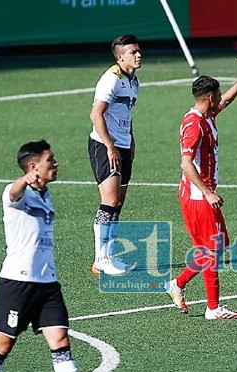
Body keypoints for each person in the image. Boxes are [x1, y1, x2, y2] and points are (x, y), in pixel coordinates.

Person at [0, 140, 112, 372]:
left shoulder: (44, 194)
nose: (56, 163)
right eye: (51, 160)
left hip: (47, 284)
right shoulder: (17, 195)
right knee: (4, 343)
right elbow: (13, 193)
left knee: (60, 339)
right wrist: (23, 180)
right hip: (17, 283)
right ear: (34, 166)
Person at [165, 57, 237, 319]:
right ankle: (213, 307)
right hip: (197, 196)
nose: (220, 99)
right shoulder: (195, 125)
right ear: (208, 97)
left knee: (217, 245)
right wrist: (207, 192)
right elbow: (185, 163)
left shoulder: (206, 114)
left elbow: (226, 100)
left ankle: (177, 284)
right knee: (213, 249)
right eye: (217, 95)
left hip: (199, 195)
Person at [88, 34, 142, 276]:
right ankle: (100, 260)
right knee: (108, 202)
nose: (139, 55)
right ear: (121, 57)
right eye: (133, 52)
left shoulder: (134, 81)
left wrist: (130, 141)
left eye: (139, 51)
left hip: (123, 146)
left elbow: (126, 115)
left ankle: (109, 256)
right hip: (104, 145)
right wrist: (110, 146)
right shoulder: (110, 79)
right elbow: (96, 114)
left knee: (118, 203)